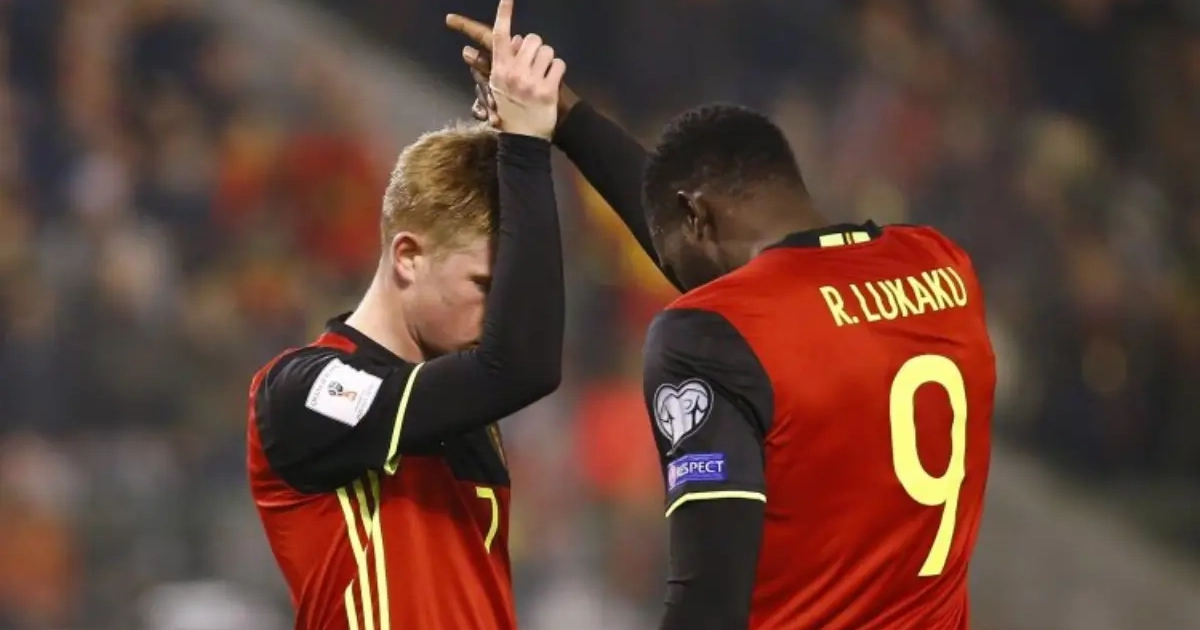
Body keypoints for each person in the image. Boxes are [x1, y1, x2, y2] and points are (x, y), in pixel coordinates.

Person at [448, 14, 995, 630]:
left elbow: (707, 602)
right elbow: (769, 283)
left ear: (699, 220)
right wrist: (565, 118)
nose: (673, 276)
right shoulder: (942, 268)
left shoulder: (712, 335)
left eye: (673, 258)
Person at [247, 3, 569, 628]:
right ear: (408, 256)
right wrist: (527, 149)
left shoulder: (471, 411)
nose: (499, 315)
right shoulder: (302, 390)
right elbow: (521, 366)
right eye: (483, 285)